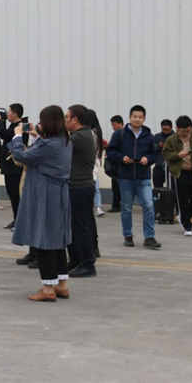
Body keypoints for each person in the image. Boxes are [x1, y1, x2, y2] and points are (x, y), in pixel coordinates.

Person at [8, 105, 72, 303]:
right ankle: (61, 286)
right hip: (59, 194)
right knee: (58, 240)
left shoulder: (49, 145)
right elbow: (44, 151)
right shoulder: (65, 141)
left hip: (45, 195)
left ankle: (47, 289)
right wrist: (38, 137)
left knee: (44, 240)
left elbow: (21, 156)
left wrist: (17, 137)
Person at [106, 105, 161, 249]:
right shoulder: (120, 134)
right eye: (134, 116)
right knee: (126, 209)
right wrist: (121, 158)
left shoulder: (149, 136)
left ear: (144, 119)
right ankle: (128, 236)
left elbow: (155, 154)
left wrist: (148, 159)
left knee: (149, 206)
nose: (137, 119)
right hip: (125, 178)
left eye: (140, 117)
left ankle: (149, 237)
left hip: (143, 178)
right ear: (129, 117)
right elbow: (110, 151)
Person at [64, 105, 98, 278]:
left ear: (75, 119)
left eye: (66, 117)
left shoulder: (78, 137)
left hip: (79, 188)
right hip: (78, 186)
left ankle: (87, 264)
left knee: (80, 227)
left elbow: (57, 148)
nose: (64, 121)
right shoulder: (84, 134)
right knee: (73, 226)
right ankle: (76, 260)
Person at [162, 116, 192, 236]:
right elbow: (165, 154)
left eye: (188, 131)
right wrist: (178, 155)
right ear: (177, 129)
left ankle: (186, 215)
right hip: (180, 172)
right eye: (183, 131)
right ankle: (187, 227)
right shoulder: (171, 139)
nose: (185, 133)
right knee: (182, 199)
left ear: (191, 128)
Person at [0, 104, 26, 229]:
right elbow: (6, 134)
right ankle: (16, 219)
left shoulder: (21, 126)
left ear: (15, 114)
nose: (7, 114)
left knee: (16, 194)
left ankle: (20, 222)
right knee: (12, 194)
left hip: (15, 166)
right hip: (9, 166)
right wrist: (3, 121)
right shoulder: (14, 125)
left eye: (8, 112)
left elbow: (3, 134)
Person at [87, 110, 104, 257]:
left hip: (87, 177)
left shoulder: (89, 134)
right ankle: (94, 246)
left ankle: (92, 247)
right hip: (92, 175)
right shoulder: (97, 133)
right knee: (88, 215)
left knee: (86, 216)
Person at [106, 115, 125, 213]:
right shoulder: (121, 133)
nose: (113, 127)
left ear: (121, 124)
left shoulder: (119, 134)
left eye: (114, 124)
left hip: (118, 163)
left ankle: (116, 205)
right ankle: (118, 204)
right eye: (112, 125)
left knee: (116, 185)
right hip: (120, 163)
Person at [153, 120, 175, 188]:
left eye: (167, 130)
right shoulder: (157, 136)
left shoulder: (175, 137)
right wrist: (159, 146)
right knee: (157, 187)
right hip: (159, 165)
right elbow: (152, 149)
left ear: (171, 127)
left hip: (171, 166)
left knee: (172, 188)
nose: (165, 132)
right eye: (163, 130)